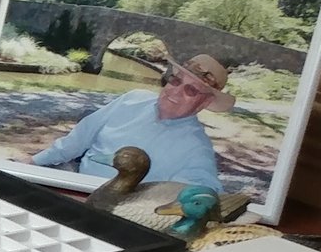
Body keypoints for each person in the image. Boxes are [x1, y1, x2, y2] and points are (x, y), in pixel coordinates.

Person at [27, 52, 234, 191]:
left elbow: (204, 195)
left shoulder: (197, 150)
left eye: (190, 90)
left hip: (121, 214)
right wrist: (34, 163)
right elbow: (78, 140)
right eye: (176, 80)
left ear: (204, 102)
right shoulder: (133, 99)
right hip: (73, 185)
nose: (175, 92)